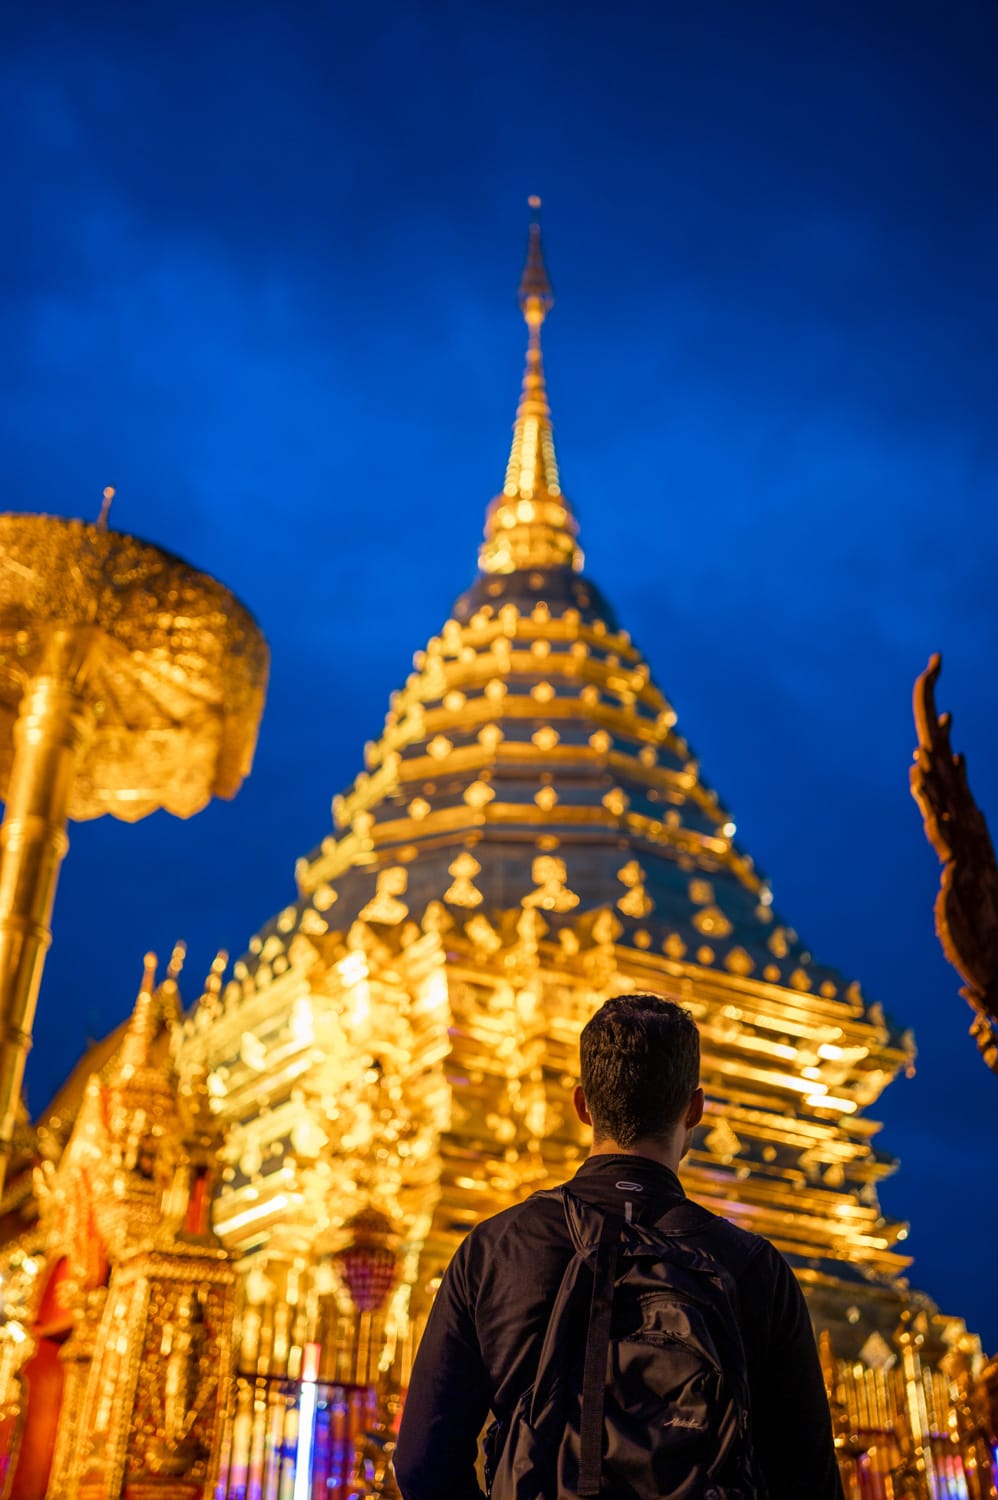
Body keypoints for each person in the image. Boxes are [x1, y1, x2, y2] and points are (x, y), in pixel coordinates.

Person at [393, 992, 845, 1500]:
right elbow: (808, 1478)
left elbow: (421, 1462)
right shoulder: (751, 1265)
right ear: (695, 1109)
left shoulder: (497, 1249)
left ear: (582, 1105)